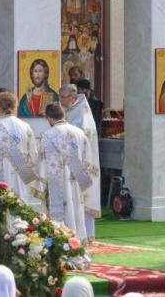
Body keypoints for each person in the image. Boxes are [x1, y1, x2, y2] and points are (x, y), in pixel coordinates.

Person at [38, 104, 93, 242]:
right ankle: (76, 243)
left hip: (55, 184)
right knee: (75, 212)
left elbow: (41, 164)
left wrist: (42, 186)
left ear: (49, 118)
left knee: (58, 215)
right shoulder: (80, 133)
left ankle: (59, 243)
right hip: (75, 183)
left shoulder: (46, 136)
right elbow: (88, 161)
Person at [58, 84, 101, 239]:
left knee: (82, 198)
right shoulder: (71, 110)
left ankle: (85, 234)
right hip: (69, 163)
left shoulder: (82, 114)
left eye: (62, 97)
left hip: (81, 164)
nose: (60, 100)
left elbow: (81, 139)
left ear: (72, 97)